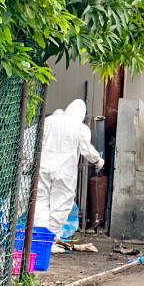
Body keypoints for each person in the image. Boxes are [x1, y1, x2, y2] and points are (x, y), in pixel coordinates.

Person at [34, 99, 104, 239]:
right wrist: (97, 160)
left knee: (40, 201)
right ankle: (52, 237)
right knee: (61, 203)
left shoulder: (49, 121)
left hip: (43, 166)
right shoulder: (79, 127)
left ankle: (39, 236)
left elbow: (31, 137)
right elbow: (86, 149)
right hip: (65, 170)